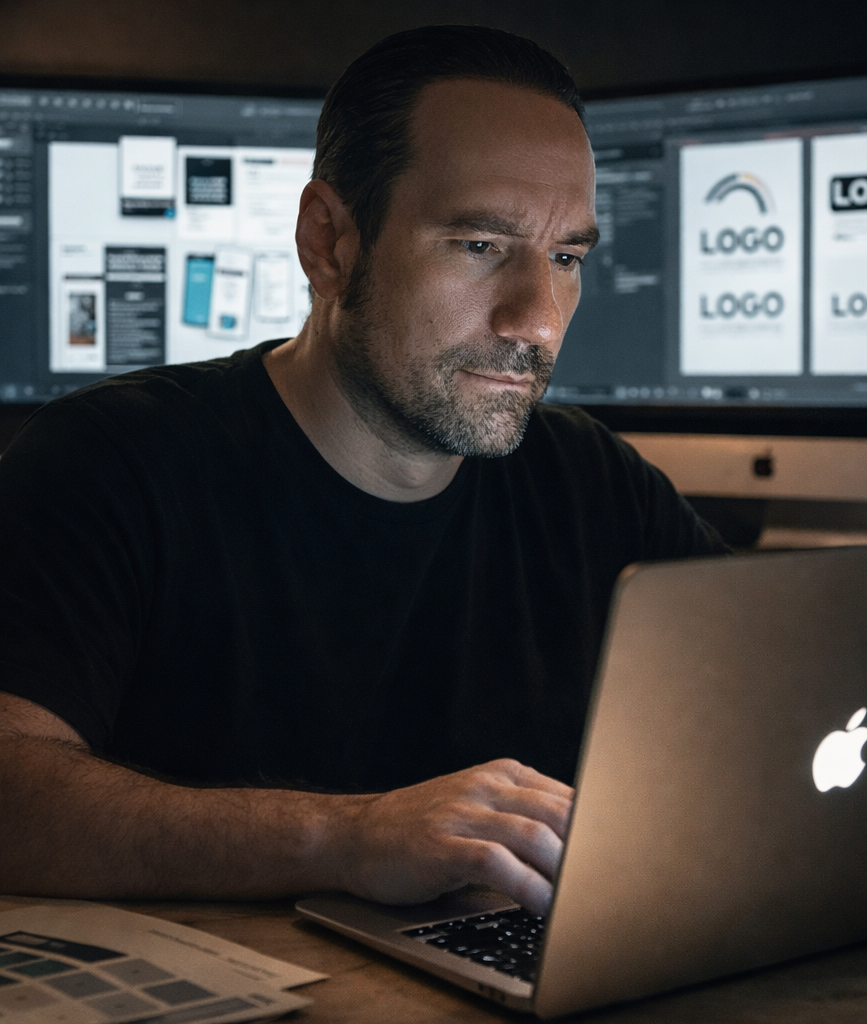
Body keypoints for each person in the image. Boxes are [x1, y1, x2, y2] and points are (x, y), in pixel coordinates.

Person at [0, 26, 726, 915]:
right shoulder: (108, 463)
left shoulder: (594, 485)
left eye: (567, 258)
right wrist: (344, 837)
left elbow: (782, 716)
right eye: (479, 245)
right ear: (329, 242)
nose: (537, 319)